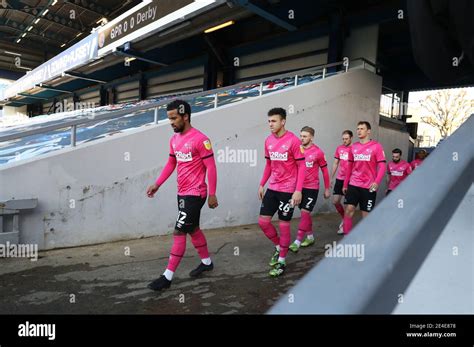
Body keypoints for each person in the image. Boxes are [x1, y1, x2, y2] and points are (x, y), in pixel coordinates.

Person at [146, 100, 218, 291]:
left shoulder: (201, 139)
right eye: (169, 118)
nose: (171, 122)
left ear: (185, 116)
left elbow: (211, 167)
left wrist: (212, 194)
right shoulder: (174, 140)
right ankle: (207, 262)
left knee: (179, 231)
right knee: (193, 228)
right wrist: (157, 184)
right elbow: (171, 164)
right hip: (182, 193)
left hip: (196, 193)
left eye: (174, 118)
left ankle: (167, 277)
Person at [258, 107, 305, 277]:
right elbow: (269, 165)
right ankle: (279, 247)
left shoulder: (293, 141)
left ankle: (282, 262)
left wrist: (298, 191)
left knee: (284, 225)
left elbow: (301, 166)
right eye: (269, 121)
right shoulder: (268, 141)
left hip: (288, 190)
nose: (270, 124)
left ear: (283, 122)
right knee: (263, 222)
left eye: (274, 121)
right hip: (273, 187)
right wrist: (262, 184)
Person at [289, 126, 330, 252]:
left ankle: (297, 241)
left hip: (312, 187)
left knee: (305, 213)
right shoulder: (297, 151)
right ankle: (310, 236)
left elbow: (324, 171)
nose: (301, 138)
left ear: (311, 137)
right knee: (304, 214)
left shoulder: (318, 152)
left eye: (305, 136)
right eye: (301, 136)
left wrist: (327, 188)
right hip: (299, 188)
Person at [342, 121, 386, 235]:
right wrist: (345, 184)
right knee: (349, 210)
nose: (359, 131)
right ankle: (347, 239)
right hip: (354, 184)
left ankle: (366, 240)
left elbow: (382, 166)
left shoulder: (376, 146)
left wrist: (377, 182)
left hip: (369, 186)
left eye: (362, 128)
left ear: (368, 131)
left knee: (366, 215)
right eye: (358, 128)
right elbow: (350, 166)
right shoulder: (354, 147)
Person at [331, 130, 353, 234]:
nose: (344, 141)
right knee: (335, 201)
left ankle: (345, 224)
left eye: (346, 139)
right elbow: (336, 163)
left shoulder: (354, 149)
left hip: (351, 180)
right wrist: (331, 177)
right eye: (343, 139)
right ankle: (344, 218)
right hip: (340, 178)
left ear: (351, 138)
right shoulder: (339, 148)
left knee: (346, 204)